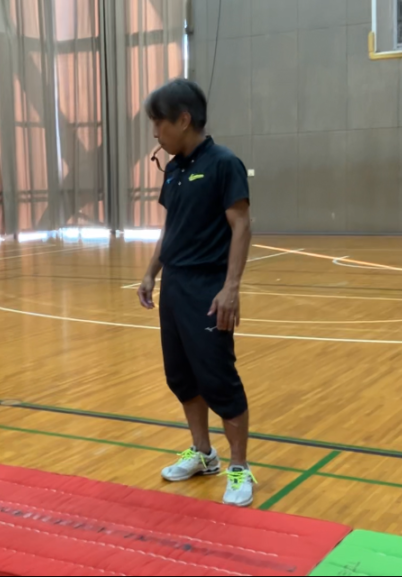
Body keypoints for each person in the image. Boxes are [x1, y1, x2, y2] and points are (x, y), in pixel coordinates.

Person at [138, 79, 255, 507]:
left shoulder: (225, 164)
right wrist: (151, 272)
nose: (156, 133)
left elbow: (241, 225)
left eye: (159, 124)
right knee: (181, 376)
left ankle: (239, 467)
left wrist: (230, 288)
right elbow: (171, 228)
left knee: (219, 379)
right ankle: (204, 454)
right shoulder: (174, 169)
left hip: (209, 288)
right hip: (175, 286)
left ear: (184, 120)